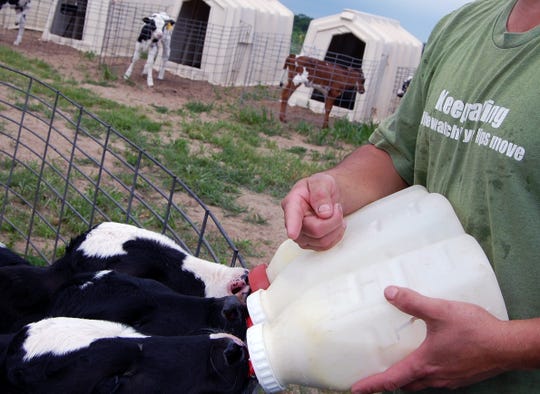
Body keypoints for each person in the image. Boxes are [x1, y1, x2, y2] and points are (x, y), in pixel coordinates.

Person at [280, 0, 540, 392]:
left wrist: (505, 347)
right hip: (404, 353)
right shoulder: (462, 26)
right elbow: (397, 152)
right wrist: (334, 190)